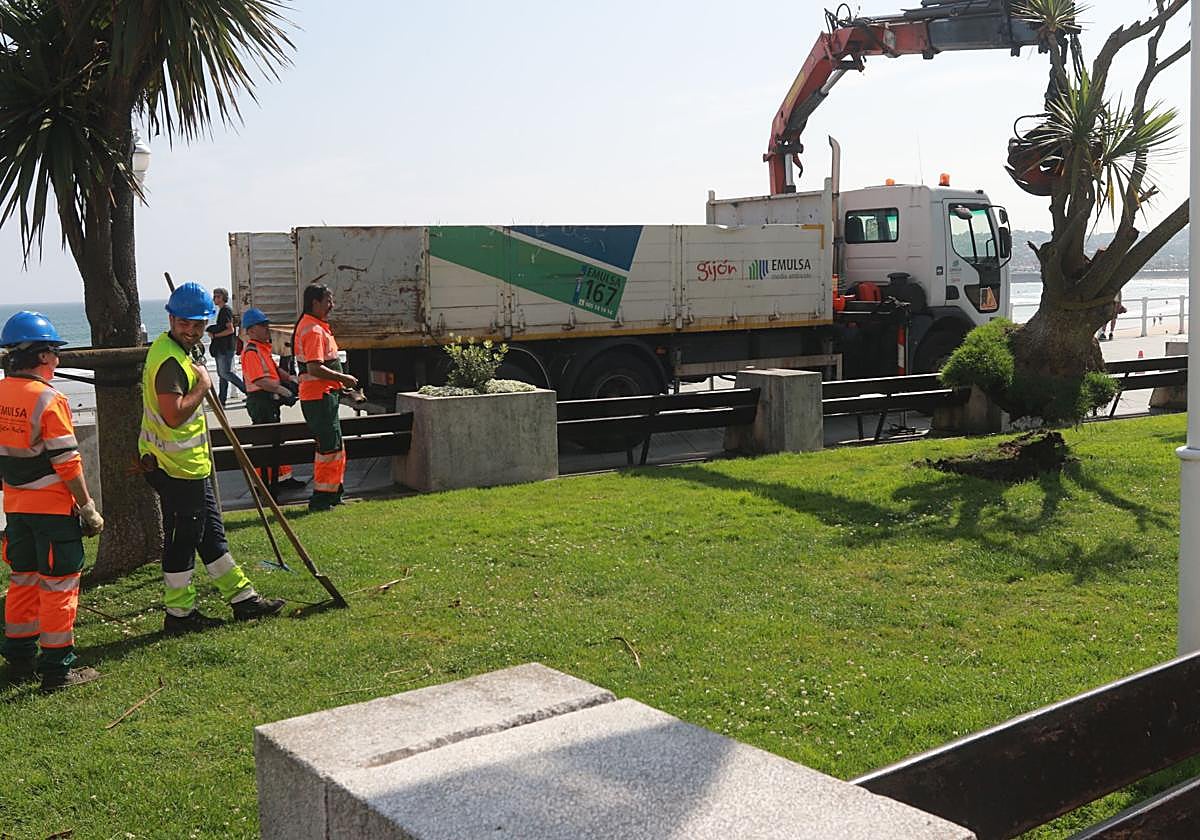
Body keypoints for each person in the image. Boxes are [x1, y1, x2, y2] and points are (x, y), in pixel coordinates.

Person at [140, 282, 284, 634]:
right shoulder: (170, 362)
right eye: (184, 324)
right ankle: (179, 616)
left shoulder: (181, 349)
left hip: (189, 466)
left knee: (211, 536)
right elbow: (173, 415)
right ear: (171, 318)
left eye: (198, 325)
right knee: (183, 541)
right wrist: (203, 384)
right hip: (174, 468)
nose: (191, 331)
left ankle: (243, 600)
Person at [0, 312, 105, 691]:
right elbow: (67, 462)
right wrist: (88, 506)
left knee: (23, 581)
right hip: (53, 512)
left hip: (16, 510)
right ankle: (58, 670)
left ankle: (19, 658)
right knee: (59, 587)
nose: (58, 361)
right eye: (55, 354)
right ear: (43, 356)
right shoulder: (49, 398)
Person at [294, 284, 358, 511]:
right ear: (315, 303)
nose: (332, 306)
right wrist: (345, 378)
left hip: (325, 396)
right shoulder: (312, 330)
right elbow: (314, 368)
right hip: (318, 398)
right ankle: (321, 498)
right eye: (328, 301)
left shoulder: (317, 327)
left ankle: (333, 493)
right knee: (328, 449)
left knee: (334, 446)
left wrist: (341, 385)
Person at [240, 308, 305, 493]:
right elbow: (259, 379)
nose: (267, 328)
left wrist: (290, 379)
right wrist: (282, 389)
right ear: (250, 330)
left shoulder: (261, 348)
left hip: (267, 400)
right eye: (262, 325)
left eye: (266, 325)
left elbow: (274, 370)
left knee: (274, 440)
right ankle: (262, 483)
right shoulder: (252, 351)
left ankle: (282, 479)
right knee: (264, 442)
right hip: (261, 400)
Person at [206, 287, 245, 406]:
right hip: (223, 347)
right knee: (222, 374)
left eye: (217, 296)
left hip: (225, 347)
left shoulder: (225, 311)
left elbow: (230, 330)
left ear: (223, 297)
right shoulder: (222, 310)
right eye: (214, 296)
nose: (215, 298)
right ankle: (221, 399)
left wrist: (215, 335)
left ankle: (248, 391)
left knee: (225, 373)